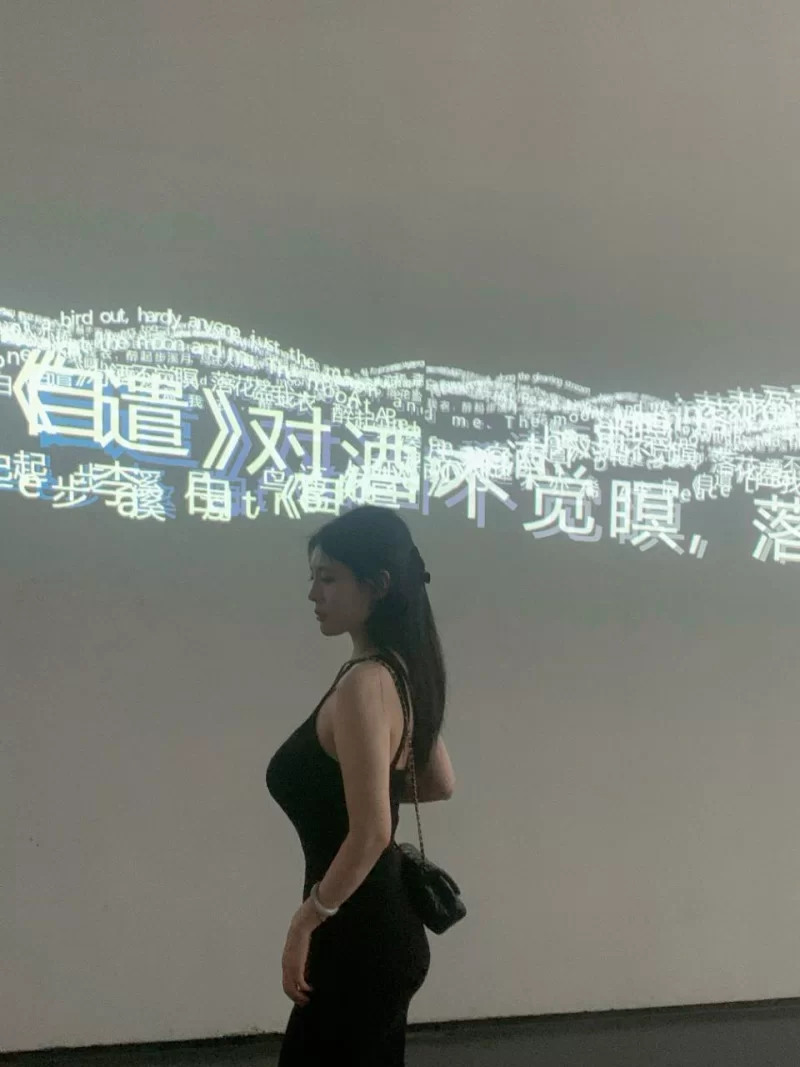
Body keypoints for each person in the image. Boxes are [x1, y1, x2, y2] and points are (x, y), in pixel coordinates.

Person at [266, 504, 456, 1065]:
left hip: (358, 936)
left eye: (328, 578)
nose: (313, 594)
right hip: (378, 928)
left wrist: (305, 921)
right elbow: (439, 782)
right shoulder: (396, 670)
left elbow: (372, 830)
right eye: (313, 578)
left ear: (378, 585)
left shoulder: (365, 684)